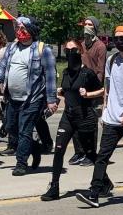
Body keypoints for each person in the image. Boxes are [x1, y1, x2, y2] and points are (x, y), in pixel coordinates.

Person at [76, 25, 123, 208]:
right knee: (102, 155)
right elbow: (108, 88)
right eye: (115, 38)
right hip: (112, 118)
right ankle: (94, 193)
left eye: (122, 38)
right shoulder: (111, 61)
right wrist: (105, 110)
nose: (118, 41)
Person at [0, 16, 59, 176]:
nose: (19, 32)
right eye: (18, 29)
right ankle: (34, 148)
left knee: (25, 131)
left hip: (32, 99)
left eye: (23, 29)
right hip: (12, 98)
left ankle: (21, 163)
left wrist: (51, 100)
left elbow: (51, 75)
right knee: (11, 127)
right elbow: (2, 67)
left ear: (31, 31)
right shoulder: (12, 48)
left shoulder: (42, 49)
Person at [41, 39, 103, 201]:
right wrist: (60, 93)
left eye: (73, 50)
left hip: (84, 116)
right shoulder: (67, 72)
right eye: (67, 50)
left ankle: (105, 181)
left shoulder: (87, 73)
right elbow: (68, 90)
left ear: (80, 51)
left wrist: (88, 94)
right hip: (68, 116)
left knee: (90, 154)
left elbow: (102, 91)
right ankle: (54, 187)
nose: (70, 53)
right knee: (59, 150)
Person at [69, 17, 107, 165]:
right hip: (78, 87)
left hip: (92, 88)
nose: (86, 27)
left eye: (90, 25)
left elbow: (100, 69)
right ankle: (79, 152)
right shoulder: (81, 45)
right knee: (76, 121)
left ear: (95, 28)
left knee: (90, 123)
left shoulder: (100, 46)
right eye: (85, 24)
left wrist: (95, 89)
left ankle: (90, 154)